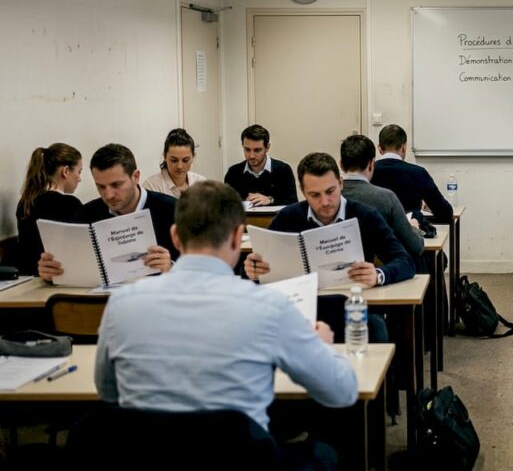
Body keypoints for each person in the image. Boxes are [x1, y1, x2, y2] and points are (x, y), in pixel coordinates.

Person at [95, 181, 357, 466]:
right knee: (324, 454)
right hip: (241, 457)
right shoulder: (269, 307)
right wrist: (323, 346)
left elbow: (107, 391)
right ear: (237, 238)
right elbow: (341, 392)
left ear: (175, 237)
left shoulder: (121, 305)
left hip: (145, 456)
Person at [245, 152, 415, 288]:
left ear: (341, 183)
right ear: (303, 192)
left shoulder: (365, 215)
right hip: (302, 306)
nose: (325, 202)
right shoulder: (288, 217)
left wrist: (378, 275)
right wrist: (252, 270)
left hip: (352, 303)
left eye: (330, 191)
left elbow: (405, 261)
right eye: (314, 195)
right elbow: (252, 266)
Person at [38, 144, 177, 280]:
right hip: (101, 300)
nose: (109, 195)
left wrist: (171, 268)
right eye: (101, 187)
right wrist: (52, 274)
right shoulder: (87, 214)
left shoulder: (173, 210)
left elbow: (196, 270)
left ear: (136, 177)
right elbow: (72, 265)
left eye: (116, 185)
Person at [339, 135, 425, 264]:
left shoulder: (330, 199)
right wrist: (414, 228)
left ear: (341, 164)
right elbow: (416, 246)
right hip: (382, 273)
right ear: (371, 164)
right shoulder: (386, 198)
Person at [15, 143, 84, 276]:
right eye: (79, 172)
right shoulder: (70, 204)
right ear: (65, 171)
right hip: (58, 274)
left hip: (27, 276)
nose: (80, 178)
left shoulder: (25, 202)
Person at [372, 124, 453, 224]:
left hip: (374, 236)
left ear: (379, 148)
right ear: (404, 147)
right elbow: (445, 213)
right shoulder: (418, 173)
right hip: (409, 235)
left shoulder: (369, 172)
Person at [223, 124, 298, 207]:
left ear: (267, 148)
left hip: (273, 219)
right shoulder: (234, 172)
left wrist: (270, 200)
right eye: (247, 149)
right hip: (244, 219)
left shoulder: (283, 170)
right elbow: (224, 205)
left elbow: (293, 203)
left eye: (257, 150)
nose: (251, 155)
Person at [142, 128, 206, 198]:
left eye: (185, 160)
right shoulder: (151, 186)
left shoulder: (201, 184)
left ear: (193, 157)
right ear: (165, 157)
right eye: (174, 160)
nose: (180, 166)